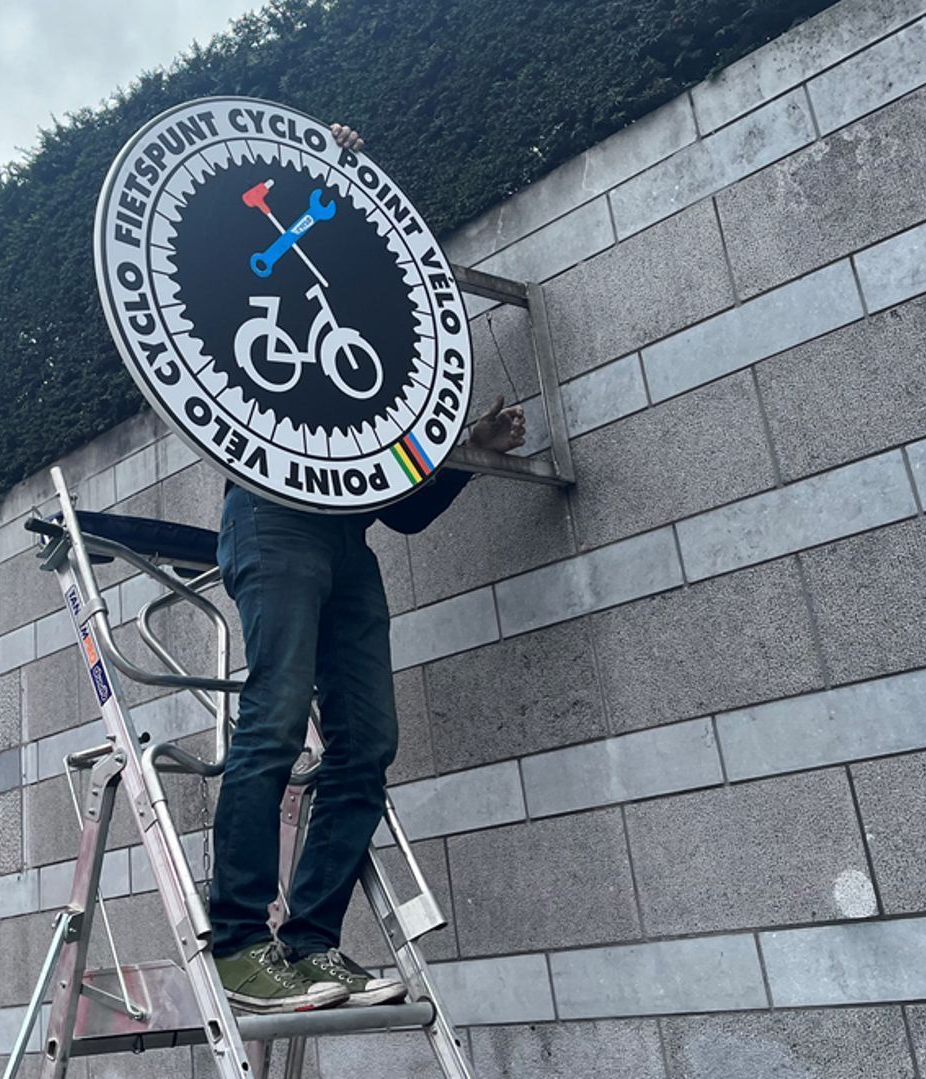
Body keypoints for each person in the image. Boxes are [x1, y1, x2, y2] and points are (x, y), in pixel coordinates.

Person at [210, 122, 531, 1015]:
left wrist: (465, 450)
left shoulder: (366, 361)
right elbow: (236, 251)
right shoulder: (259, 302)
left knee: (369, 742)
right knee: (273, 722)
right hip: (271, 523)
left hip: (346, 543)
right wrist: (315, 166)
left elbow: (405, 509)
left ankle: (310, 943)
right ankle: (238, 943)